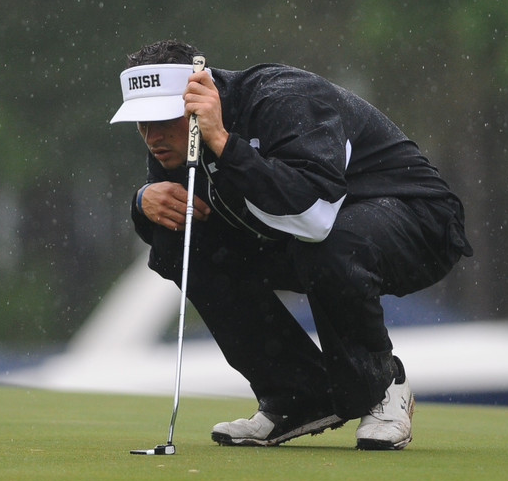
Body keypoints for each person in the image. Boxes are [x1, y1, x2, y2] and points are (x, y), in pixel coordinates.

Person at [110, 39, 473, 450]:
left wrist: (225, 144)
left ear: (200, 95)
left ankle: (382, 387)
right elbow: (185, 228)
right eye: (142, 122)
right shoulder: (175, 141)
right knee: (182, 245)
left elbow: (314, 217)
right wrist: (143, 203)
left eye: (163, 119)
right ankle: (298, 397)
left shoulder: (282, 98)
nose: (152, 135)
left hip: (419, 221)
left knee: (330, 245)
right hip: (311, 234)